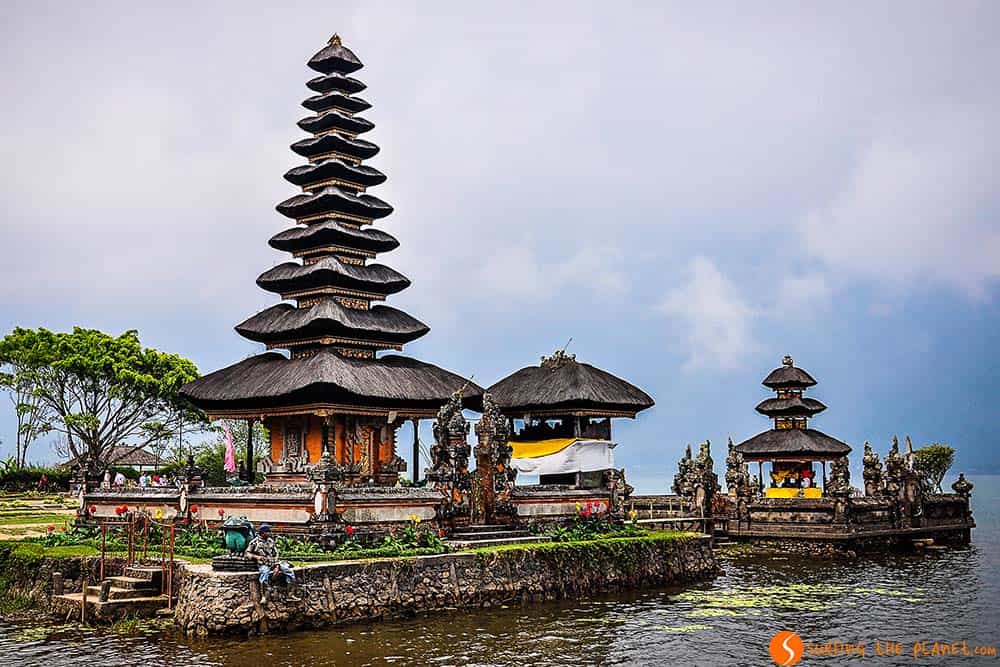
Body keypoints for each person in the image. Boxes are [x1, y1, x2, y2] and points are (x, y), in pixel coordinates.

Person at [245, 525, 298, 604]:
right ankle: (264, 596)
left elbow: (276, 554)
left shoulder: (271, 541)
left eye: (269, 532)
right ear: (262, 533)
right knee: (264, 575)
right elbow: (247, 553)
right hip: (263, 564)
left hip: (274, 563)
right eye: (267, 532)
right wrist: (256, 557)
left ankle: (290, 594)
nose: (269, 533)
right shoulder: (254, 542)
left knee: (289, 571)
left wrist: (277, 566)